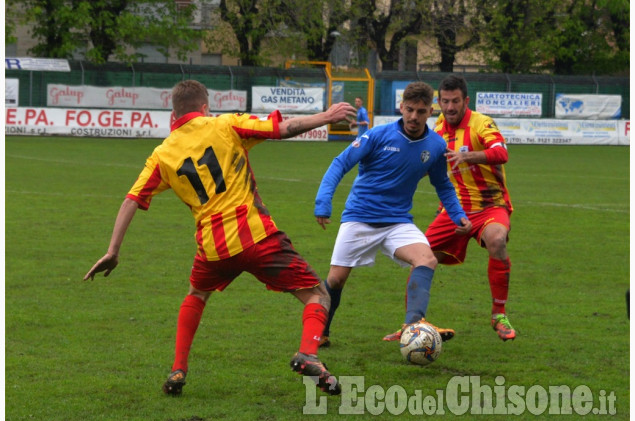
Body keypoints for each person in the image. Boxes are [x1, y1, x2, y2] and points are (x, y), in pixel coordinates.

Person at [83, 79, 358, 396]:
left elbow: (131, 199)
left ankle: (177, 370)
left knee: (196, 295)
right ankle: (308, 354)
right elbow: (283, 127)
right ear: (204, 107)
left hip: (212, 249)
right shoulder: (226, 125)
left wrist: (113, 251)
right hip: (256, 237)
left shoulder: (162, 154)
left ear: (174, 114)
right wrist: (326, 115)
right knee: (318, 295)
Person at [314, 81, 472, 348]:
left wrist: (458, 215)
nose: (413, 116)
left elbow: (443, 184)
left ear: (431, 112)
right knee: (336, 279)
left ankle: (413, 326)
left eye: (421, 111)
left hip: (398, 222)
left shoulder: (435, 145)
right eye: (409, 109)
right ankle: (322, 331)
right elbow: (341, 163)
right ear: (401, 107)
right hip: (360, 217)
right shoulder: (377, 135)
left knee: (426, 259)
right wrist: (323, 202)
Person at [383, 74, 516, 343]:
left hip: (490, 206)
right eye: (445, 101)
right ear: (438, 103)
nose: (451, 107)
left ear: (466, 100)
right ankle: (411, 324)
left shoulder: (482, 124)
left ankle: (498, 314)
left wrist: (468, 155)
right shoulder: (439, 129)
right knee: (421, 257)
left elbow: (502, 153)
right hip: (453, 211)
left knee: (497, 240)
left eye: (456, 101)